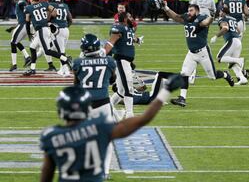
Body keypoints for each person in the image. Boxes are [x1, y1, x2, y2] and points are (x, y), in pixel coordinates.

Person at [39, 75, 183, 182]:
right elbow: (143, 119)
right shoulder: (99, 128)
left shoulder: (51, 136)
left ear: (61, 111)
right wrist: (165, 91)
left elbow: (46, 176)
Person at [158, 0, 234, 107]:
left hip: (203, 53)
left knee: (212, 76)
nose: (189, 12)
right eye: (188, 10)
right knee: (184, 73)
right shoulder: (187, 17)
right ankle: (182, 98)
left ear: (197, 11)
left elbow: (206, 22)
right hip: (191, 53)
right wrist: (165, 7)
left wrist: (211, 17)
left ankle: (226, 74)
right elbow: (176, 17)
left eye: (191, 10)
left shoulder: (201, 18)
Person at [72, 34, 117, 179]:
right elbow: (112, 81)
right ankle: (105, 171)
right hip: (103, 104)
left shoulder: (78, 62)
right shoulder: (109, 61)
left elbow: (76, 84)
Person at [103, 10, 144, 118]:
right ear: (125, 19)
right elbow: (110, 42)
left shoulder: (128, 28)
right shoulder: (119, 28)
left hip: (126, 62)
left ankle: (107, 109)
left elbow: (130, 37)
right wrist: (102, 54)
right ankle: (129, 114)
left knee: (121, 91)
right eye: (130, 17)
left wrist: (137, 40)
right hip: (121, 61)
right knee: (128, 88)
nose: (132, 19)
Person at [23, 0, 72, 76]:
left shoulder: (28, 8)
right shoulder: (44, 3)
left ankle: (66, 58)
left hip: (42, 30)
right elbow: (54, 12)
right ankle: (32, 69)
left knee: (47, 51)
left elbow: (27, 21)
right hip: (44, 29)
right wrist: (47, 19)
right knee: (32, 47)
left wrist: (28, 33)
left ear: (32, 0)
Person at [210, 6, 249, 85]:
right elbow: (238, 31)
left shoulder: (222, 19)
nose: (219, 13)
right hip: (237, 40)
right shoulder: (233, 19)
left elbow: (225, 28)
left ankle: (239, 60)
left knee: (219, 58)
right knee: (232, 63)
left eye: (220, 11)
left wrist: (216, 36)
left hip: (232, 41)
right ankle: (242, 78)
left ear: (223, 12)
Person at [48, 0, 73, 76]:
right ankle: (62, 69)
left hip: (58, 31)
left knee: (60, 52)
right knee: (58, 49)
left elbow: (49, 17)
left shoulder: (51, 5)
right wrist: (65, 26)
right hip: (66, 30)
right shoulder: (65, 5)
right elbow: (70, 19)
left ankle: (66, 70)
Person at [8, 0, 31, 71]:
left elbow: (26, 10)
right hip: (23, 25)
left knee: (13, 42)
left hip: (23, 25)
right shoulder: (21, 3)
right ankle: (27, 57)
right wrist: (13, 27)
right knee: (16, 42)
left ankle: (14, 65)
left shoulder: (20, 2)